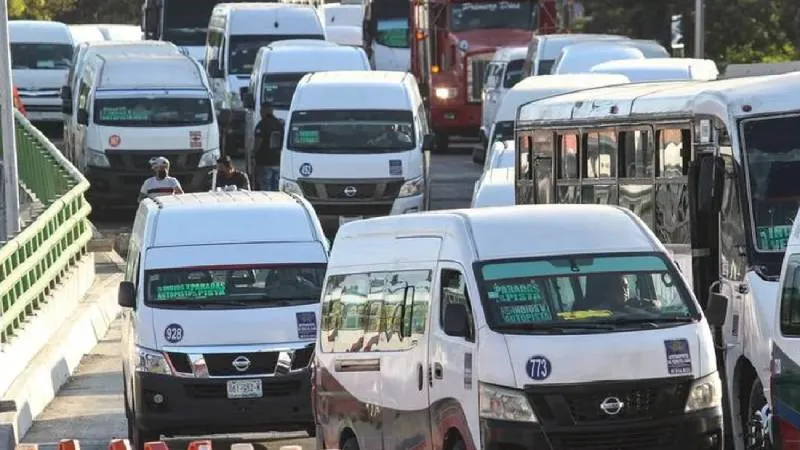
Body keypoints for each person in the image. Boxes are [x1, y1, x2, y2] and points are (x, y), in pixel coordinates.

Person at [253, 102, 283, 191]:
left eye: (261, 110)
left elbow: (258, 143)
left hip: (264, 162)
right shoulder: (279, 124)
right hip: (277, 162)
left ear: (263, 110)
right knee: (276, 189)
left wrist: (253, 155)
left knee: (265, 189)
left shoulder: (261, 125)